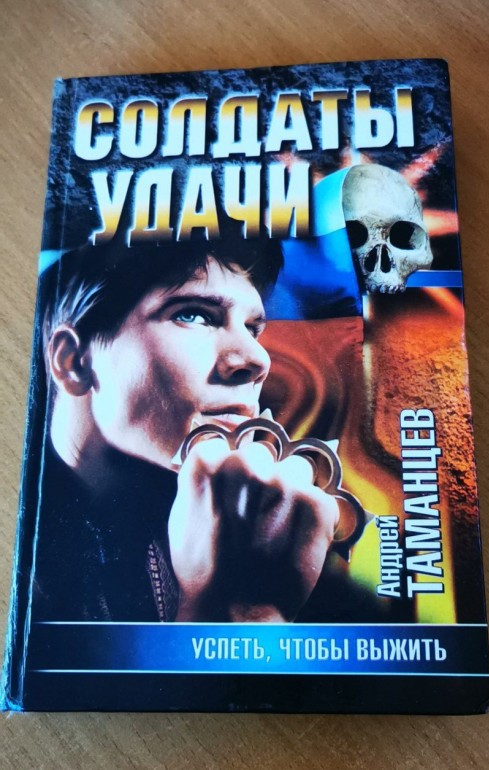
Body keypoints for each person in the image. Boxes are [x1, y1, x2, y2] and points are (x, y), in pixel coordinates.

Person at [33, 233, 343, 623]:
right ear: (74, 362)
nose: (257, 359)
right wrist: (240, 610)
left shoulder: (254, 529)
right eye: (194, 315)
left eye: (252, 328)